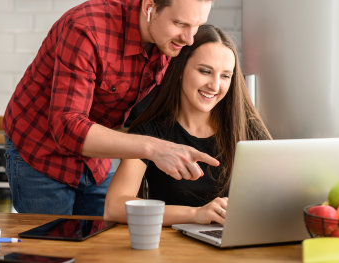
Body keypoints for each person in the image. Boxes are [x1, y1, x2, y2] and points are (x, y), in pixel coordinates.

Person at [3, 0, 224, 216]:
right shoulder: (86, 29)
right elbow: (67, 127)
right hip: (41, 153)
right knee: (53, 251)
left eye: (196, 26)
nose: (189, 39)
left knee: (103, 247)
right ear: (149, 7)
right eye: (180, 23)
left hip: (96, 158)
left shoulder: (169, 40)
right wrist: (154, 148)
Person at [103, 25, 272, 226]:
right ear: (180, 69)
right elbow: (113, 207)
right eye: (205, 71)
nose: (215, 85)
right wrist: (195, 214)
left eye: (225, 75)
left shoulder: (247, 127)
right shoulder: (150, 131)